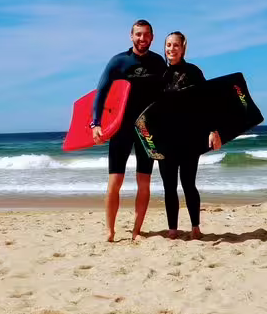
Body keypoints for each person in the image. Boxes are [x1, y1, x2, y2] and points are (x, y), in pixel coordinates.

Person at [91, 19, 167, 242]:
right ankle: (110, 231)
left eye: (146, 35)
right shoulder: (118, 62)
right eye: (138, 34)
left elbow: (165, 96)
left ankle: (136, 230)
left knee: (144, 182)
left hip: (146, 130)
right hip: (121, 129)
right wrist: (95, 124)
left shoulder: (158, 63)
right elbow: (101, 93)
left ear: (152, 37)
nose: (142, 39)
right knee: (115, 181)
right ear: (131, 36)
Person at [158, 31, 221, 240]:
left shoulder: (193, 72)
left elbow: (207, 102)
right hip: (165, 139)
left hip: (189, 138)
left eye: (176, 45)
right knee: (169, 186)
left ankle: (195, 227)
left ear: (183, 48)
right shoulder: (161, 75)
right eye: (168, 45)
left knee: (188, 183)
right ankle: (173, 229)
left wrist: (213, 130)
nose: (171, 49)